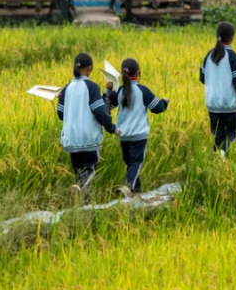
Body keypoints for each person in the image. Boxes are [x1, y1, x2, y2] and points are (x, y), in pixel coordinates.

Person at [104, 58, 169, 196]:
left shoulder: (120, 91)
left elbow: (108, 106)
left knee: (130, 163)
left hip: (123, 135)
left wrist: (107, 92)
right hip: (139, 135)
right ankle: (128, 186)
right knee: (136, 163)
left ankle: (136, 191)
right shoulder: (142, 90)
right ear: (138, 72)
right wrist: (165, 101)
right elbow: (157, 108)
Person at [56, 53, 120, 193]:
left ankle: (82, 203)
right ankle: (80, 185)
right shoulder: (92, 87)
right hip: (88, 137)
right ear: (89, 68)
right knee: (90, 169)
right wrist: (112, 128)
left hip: (71, 139)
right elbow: (100, 112)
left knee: (78, 171)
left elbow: (61, 114)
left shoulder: (66, 88)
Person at [200, 22, 236, 161]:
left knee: (217, 133)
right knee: (232, 133)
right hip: (228, 103)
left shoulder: (209, 55)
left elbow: (202, 77)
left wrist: (214, 86)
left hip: (212, 103)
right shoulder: (232, 56)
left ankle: (216, 158)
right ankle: (223, 154)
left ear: (217, 36)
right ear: (232, 38)